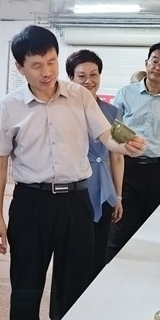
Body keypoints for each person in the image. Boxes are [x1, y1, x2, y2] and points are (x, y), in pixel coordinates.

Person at [0, 25, 146, 320]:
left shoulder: (79, 96)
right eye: (36, 65)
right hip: (31, 204)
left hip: (76, 202)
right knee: (25, 291)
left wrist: (127, 144)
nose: (46, 72)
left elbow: (106, 135)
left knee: (76, 289)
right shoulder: (10, 107)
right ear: (20, 67)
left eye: (51, 62)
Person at [107, 42, 160, 260]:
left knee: (153, 225)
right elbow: (113, 132)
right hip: (127, 168)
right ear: (146, 63)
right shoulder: (125, 93)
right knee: (120, 226)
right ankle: (113, 272)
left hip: (159, 170)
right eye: (155, 61)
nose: (158, 66)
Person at [65, 49, 124, 274]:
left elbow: (117, 156)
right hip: (75, 189)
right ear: (71, 78)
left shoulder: (112, 111)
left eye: (94, 75)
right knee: (73, 254)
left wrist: (118, 196)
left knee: (99, 251)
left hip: (104, 187)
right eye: (81, 76)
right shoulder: (63, 110)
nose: (88, 81)